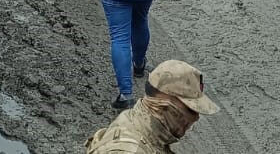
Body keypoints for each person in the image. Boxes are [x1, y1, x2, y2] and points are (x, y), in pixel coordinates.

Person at [85, 61, 219, 154]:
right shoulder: (129, 150)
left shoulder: (136, 120)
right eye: (190, 109)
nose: (195, 118)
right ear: (163, 102)